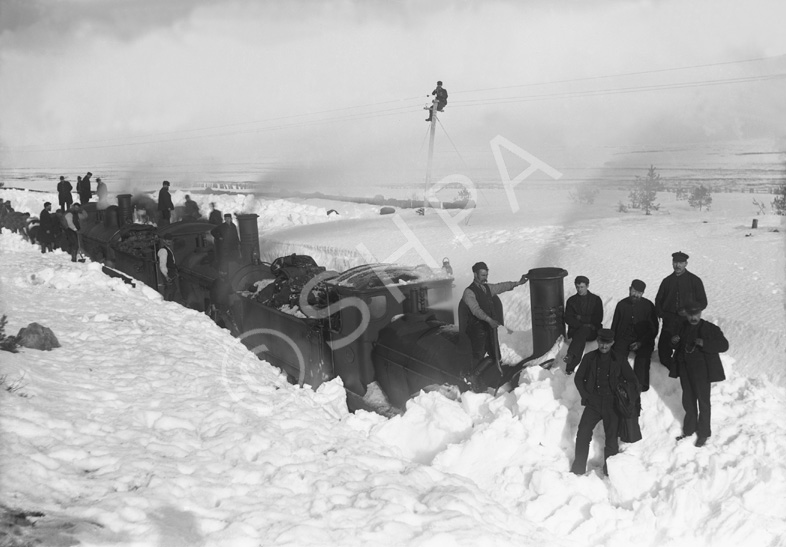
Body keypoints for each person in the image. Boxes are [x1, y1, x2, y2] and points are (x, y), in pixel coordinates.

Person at [571, 328, 639, 476]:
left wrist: (625, 397)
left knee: (612, 439)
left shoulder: (619, 359)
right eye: (601, 342)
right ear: (598, 341)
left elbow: (633, 381)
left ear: (612, 343)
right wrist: (586, 396)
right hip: (593, 404)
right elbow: (578, 378)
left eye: (607, 343)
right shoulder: (589, 358)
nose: (604, 346)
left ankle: (609, 472)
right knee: (583, 434)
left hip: (612, 405)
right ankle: (578, 469)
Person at [458, 262, 528, 386]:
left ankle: (476, 375)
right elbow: (476, 310)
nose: (485, 277)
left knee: (495, 356)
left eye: (486, 274)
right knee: (478, 355)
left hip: (487, 329)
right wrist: (489, 320)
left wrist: (518, 283)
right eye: (483, 275)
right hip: (476, 330)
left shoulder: (487, 288)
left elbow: (501, 286)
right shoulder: (469, 292)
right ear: (475, 274)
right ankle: (472, 378)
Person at [671, 300, 728, 448]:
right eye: (690, 314)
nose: (693, 317)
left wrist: (705, 344)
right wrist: (674, 341)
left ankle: (703, 433)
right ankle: (689, 429)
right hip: (685, 369)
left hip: (702, 371)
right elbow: (674, 343)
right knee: (688, 401)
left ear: (701, 313)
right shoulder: (682, 327)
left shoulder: (710, 328)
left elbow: (724, 345)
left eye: (695, 314)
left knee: (703, 402)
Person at [655, 251, 707, 370]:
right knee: (663, 352)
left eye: (680, 263)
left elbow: (703, 302)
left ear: (686, 264)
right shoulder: (667, 281)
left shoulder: (695, 281)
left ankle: (682, 374)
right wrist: (662, 314)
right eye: (675, 262)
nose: (677, 265)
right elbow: (658, 300)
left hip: (687, 322)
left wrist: (689, 311)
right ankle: (669, 373)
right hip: (669, 322)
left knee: (686, 351)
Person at [610, 279, 659, 391]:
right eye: (634, 291)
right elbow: (615, 326)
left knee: (642, 358)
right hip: (624, 337)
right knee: (618, 356)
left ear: (642, 293)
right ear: (629, 289)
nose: (636, 294)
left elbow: (653, 329)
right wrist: (612, 342)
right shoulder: (621, 305)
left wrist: (641, 342)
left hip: (643, 339)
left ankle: (639, 386)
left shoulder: (648, 306)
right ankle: (618, 383)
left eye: (639, 293)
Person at [563, 275, 603, 374]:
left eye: (582, 287)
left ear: (587, 286)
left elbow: (598, 318)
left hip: (592, 330)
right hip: (577, 329)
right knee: (581, 334)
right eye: (577, 287)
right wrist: (583, 324)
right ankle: (570, 368)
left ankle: (570, 359)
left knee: (582, 332)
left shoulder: (596, 300)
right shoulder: (571, 301)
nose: (579, 290)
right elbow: (568, 318)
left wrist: (581, 318)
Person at [157, 234, 180, 302]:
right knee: (170, 289)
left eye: (170, 239)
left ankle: (169, 303)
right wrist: (166, 275)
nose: (169, 241)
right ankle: (167, 303)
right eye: (167, 240)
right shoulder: (163, 250)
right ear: (164, 240)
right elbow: (162, 264)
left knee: (173, 288)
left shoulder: (168, 249)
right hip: (167, 272)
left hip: (171, 272)